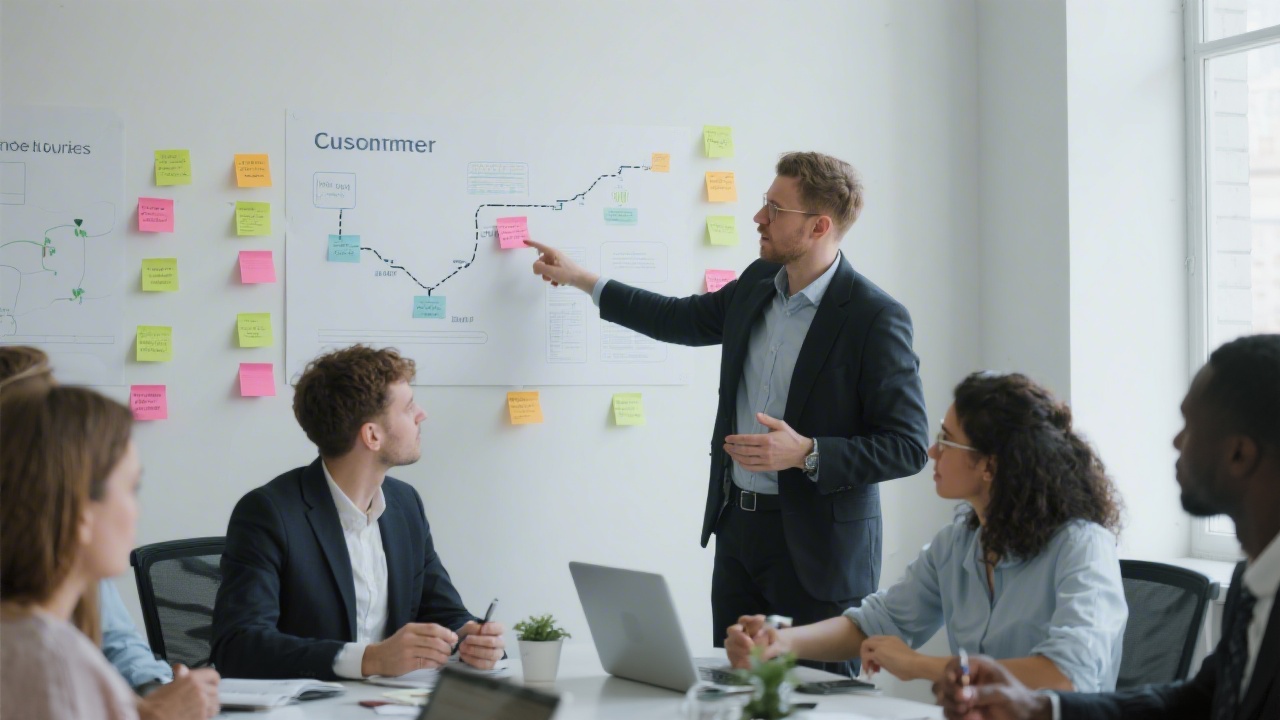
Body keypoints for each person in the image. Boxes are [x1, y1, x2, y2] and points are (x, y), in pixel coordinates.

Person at [528, 151, 929, 674]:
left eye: (774, 209)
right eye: (765, 203)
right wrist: (584, 280)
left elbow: (908, 445)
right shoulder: (758, 284)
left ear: (819, 226)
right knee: (735, 691)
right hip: (739, 533)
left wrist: (807, 453)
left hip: (818, 553)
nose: (758, 217)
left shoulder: (875, 317)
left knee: (814, 702)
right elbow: (678, 318)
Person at [934, 334, 1280, 720]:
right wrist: (1040, 708)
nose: (1176, 441)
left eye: (1190, 425)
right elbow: (1197, 701)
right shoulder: (1251, 581)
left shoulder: (1079, 542)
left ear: (1239, 454)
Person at [726, 372, 1127, 692]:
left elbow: (1063, 675)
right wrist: (781, 642)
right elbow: (877, 621)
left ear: (990, 465)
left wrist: (922, 666)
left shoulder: (1082, 546)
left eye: (947, 441)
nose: (932, 452)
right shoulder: (958, 543)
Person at [211, 345, 505, 679]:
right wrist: (370, 659)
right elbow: (238, 645)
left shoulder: (405, 505)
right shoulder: (270, 513)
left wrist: (470, 635)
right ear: (372, 435)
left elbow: (441, 610)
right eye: (408, 407)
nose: (422, 414)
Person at [0, 346, 218, 720]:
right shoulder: (52, 662)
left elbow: (118, 644)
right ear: (79, 507)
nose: (137, 511)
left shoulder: (44, 640)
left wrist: (152, 696)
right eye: (131, 488)